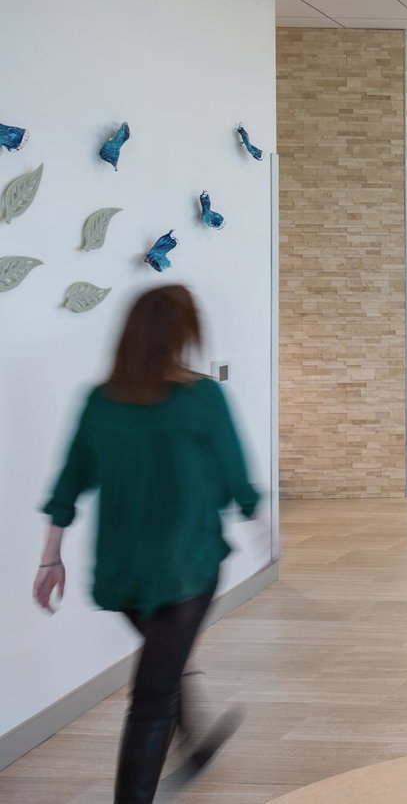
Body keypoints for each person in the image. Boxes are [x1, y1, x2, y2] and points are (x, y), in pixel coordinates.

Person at [33, 284, 260, 804]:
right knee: (153, 693)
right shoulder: (202, 399)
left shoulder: (98, 400)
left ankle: (197, 745)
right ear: (183, 335)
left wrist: (50, 559)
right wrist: (261, 528)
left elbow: (68, 486)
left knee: (164, 658)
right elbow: (236, 480)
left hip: (120, 575)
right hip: (187, 569)